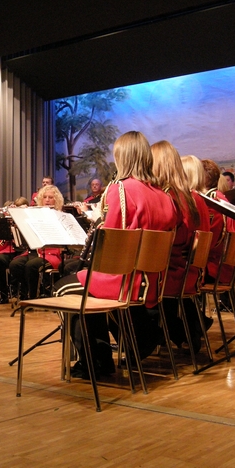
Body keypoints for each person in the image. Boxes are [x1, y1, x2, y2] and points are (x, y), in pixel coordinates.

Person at [54, 131, 178, 379]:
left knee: (63, 289)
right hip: (152, 282)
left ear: (123, 157)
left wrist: (98, 229)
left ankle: (96, 360)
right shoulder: (164, 196)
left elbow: (113, 246)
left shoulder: (120, 189)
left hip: (125, 280)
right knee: (82, 284)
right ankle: (134, 335)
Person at [151, 141, 211, 353]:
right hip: (191, 273)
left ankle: (149, 337)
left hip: (172, 275)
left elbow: (166, 244)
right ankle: (186, 328)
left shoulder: (168, 197)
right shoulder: (193, 197)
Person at [10, 185, 64, 300]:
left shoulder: (60, 216)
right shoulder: (35, 214)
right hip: (34, 252)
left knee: (31, 266)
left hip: (51, 254)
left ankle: (32, 297)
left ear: (56, 200)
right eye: (45, 197)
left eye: (50, 197)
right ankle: (25, 292)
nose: (47, 200)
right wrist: (18, 214)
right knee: (15, 265)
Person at [0, 197, 28, 304]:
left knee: (19, 263)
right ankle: (3, 293)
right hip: (11, 252)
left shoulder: (28, 221)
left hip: (24, 251)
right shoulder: (7, 223)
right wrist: (8, 229)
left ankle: (23, 293)